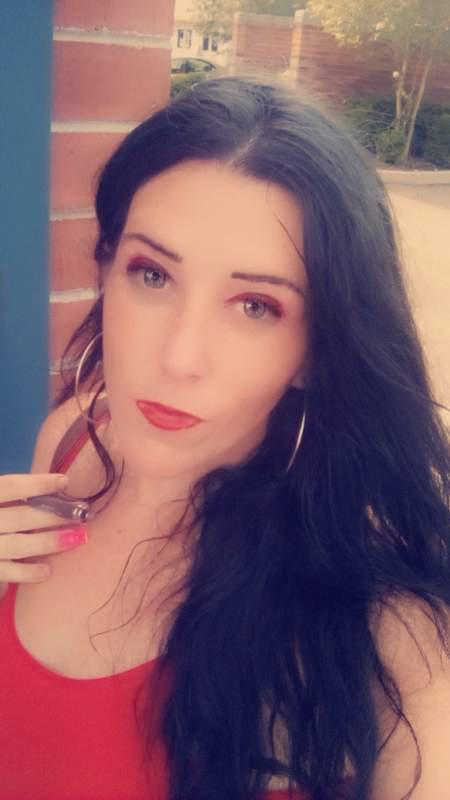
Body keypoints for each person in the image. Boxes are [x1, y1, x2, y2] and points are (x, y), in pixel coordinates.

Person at [0, 75, 449, 800]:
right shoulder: (71, 444)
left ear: (318, 348)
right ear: (107, 268)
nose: (179, 357)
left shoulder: (391, 632)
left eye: (255, 305)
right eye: (152, 273)